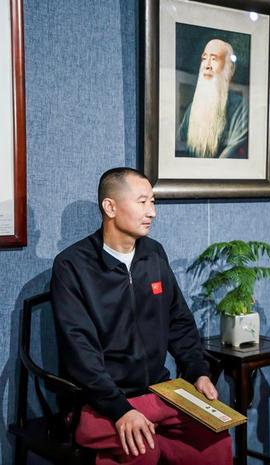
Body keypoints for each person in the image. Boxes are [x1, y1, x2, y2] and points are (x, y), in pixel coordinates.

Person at [50, 167, 233, 465]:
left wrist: (197, 371)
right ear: (110, 207)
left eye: (153, 202)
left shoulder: (153, 254)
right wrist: (120, 409)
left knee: (215, 441)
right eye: (143, 201)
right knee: (142, 449)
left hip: (158, 392)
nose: (152, 212)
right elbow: (79, 351)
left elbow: (179, 322)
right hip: (100, 400)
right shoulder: (72, 266)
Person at [177, 38, 248, 159]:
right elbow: (179, 146)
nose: (207, 66)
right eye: (204, 59)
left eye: (214, 59)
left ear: (230, 68)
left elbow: (231, 155)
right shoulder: (193, 109)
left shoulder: (241, 108)